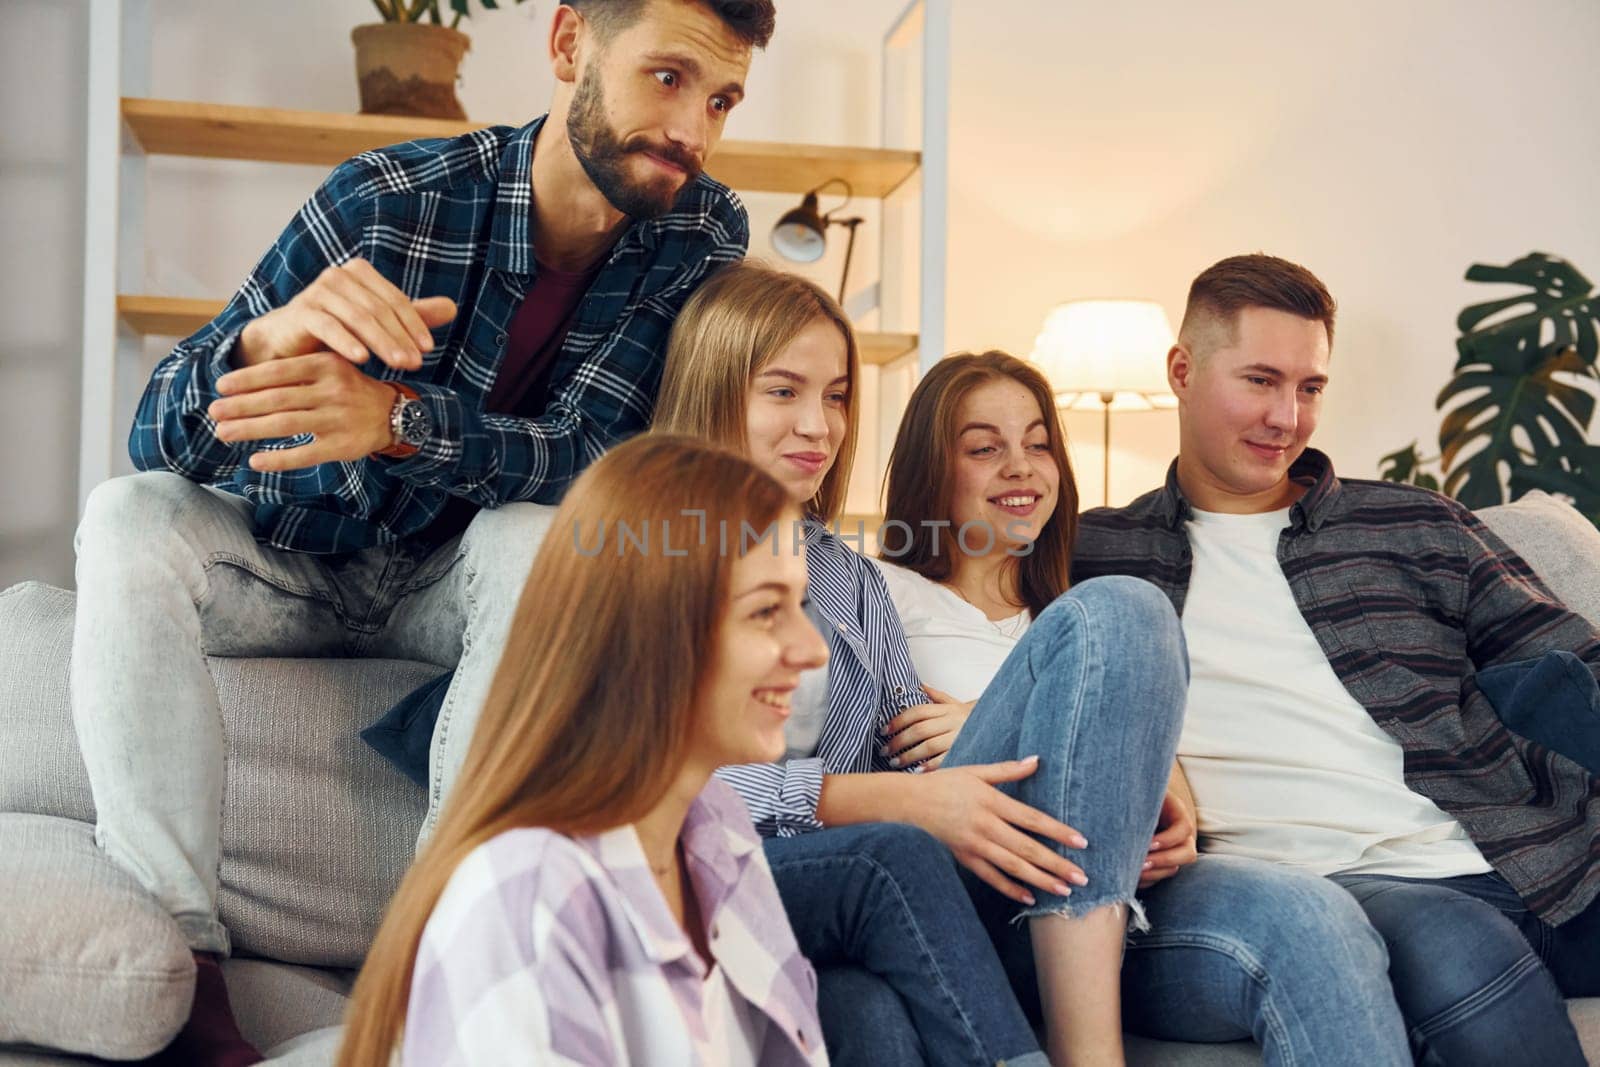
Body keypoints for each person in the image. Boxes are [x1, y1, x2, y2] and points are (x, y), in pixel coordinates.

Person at [69, 1, 773, 1061]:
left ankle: (455, 941)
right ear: (568, 43)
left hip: (462, 585)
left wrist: (397, 422)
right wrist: (261, 348)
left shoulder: (700, 231)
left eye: (720, 99)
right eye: (667, 78)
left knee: (543, 535)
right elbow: (155, 432)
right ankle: (188, 965)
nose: (693, 129)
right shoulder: (389, 199)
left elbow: (591, 455)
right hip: (297, 562)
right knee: (126, 516)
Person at [653, 263, 1191, 1066]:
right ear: (715, 392)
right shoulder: (645, 552)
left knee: (864, 1009)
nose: (819, 425)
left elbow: (912, 743)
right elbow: (644, 782)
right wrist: (886, 798)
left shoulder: (850, 576)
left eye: (836, 396)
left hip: (842, 897)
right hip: (693, 865)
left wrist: (1124, 773)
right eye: (783, 392)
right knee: (891, 851)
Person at [1074, 252, 1600, 1065]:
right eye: (1259, 380)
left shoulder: (1412, 522)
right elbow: (969, 630)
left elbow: (1571, 657)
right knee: (1462, 947)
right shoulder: (1094, 554)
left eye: (1309, 387)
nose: (1287, 416)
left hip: (1529, 855)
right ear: (1181, 370)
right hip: (1338, 889)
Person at [878, 349, 1413, 1067]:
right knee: (1123, 608)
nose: (1021, 466)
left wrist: (1174, 805)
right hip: (979, 896)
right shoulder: (879, 591)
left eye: (1039, 444)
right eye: (984, 447)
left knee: (1316, 917)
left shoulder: (1070, 607)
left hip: (1126, 901)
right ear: (929, 471)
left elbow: (1157, 743)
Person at [337, 435, 828, 1066]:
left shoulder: (716, 827)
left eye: (801, 605)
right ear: (650, 626)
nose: (812, 649)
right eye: (767, 612)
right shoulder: (526, 898)